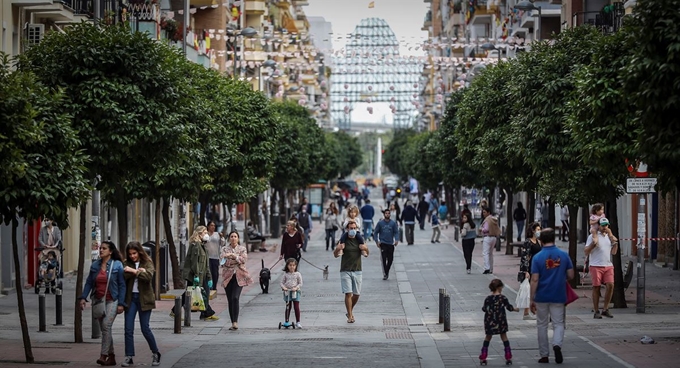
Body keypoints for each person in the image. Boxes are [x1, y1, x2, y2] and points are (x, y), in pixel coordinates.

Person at [530, 228, 575, 364]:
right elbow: (571, 275)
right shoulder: (563, 255)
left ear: (541, 240)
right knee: (558, 323)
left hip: (542, 296)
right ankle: (557, 344)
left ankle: (544, 355)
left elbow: (535, 279)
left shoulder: (537, 258)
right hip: (559, 294)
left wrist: (531, 298)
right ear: (554, 239)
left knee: (542, 325)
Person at [79, 241, 126, 366]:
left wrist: (121, 303)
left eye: (104, 249)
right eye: (100, 248)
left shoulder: (117, 265)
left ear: (110, 251)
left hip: (113, 300)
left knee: (106, 326)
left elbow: (122, 285)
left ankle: (103, 355)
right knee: (106, 329)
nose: (101, 251)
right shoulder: (95, 266)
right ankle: (112, 357)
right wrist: (83, 297)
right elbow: (89, 282)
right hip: (99, 300)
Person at [121, 242, 161, 367]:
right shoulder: (125, 263)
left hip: (144, 299)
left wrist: (133, 271)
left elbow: (148, 276)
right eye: (130, 254)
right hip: (131, 298)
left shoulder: (147, 262)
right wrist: (138, 272)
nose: (132, 256)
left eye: (134, 253)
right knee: (128, 329)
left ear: (139, 252)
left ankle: (155, 353)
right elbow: (123, 274)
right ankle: (129, 356)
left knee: (145, 328)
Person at [175, 226, 218, 321]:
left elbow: (205, 264)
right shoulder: (196, 245)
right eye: (204, 232)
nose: (206, 234)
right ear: (199, 234)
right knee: (200, 293)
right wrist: (196, 276)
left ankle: (205, 313)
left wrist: (209, 277)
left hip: (201, 274)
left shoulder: (202, 245)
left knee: (194, 293)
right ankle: (206, 313)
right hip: (195, 275)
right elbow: (195, 263)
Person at [333, 220, 369, 323]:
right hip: (345, 270)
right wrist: (337, 249)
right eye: (350, 228)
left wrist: (366, 248)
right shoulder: (343, 240)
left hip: (357, 270)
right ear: (347, 229)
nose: (352, 230)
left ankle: (350, 311)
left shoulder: (359, 239)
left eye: (354, 228)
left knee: (356, 294)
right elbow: (335, 255)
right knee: (348, 293)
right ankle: (350, 316)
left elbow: (367, 253)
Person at [479, 279, 519, 365]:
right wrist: (515, 309)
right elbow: (509, 307)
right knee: (504, 336)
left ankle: (483, 355)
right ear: (499, 287)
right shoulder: (503, 298)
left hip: (489, 321)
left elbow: (484, 309)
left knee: (488, 337)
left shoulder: (488, 298)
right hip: (501, 320)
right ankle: (508, 356)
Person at [584, 217, 618, 319]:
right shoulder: (593, 236)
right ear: (598, 226)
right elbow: (586, 251)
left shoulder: (609, 236)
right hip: (595, 265)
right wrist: (593, 245)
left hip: (608, 265)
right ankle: (596, 310)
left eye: (606, 225)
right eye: (603, 225)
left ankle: (605, 309)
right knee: (596, 287)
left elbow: (614, 252)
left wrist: (615, 244)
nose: (604, 227)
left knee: (611, 285)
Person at [220, 231, 253, 330]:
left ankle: (236, 322)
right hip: (228, 276)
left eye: (235, 236)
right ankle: (232, 322)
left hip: (240, 276)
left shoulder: (242, 249)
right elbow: (223, 262)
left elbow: (244, 260)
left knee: (235, 297)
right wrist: (233, 259)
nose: (233, 238)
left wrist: (234, 257)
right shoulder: (224, 249)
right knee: (230, 299)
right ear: (229, 238)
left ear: (238, 238)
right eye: (231, 236)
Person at [519, 222, 542, 320]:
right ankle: (526, 312)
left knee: (537, 289)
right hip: (531, 268)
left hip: (538, 268)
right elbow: (525, 256)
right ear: (533, 231)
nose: (539, 231)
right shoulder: (528, 242)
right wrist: (525, 270)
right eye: (537, 229)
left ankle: (535, 310)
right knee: (529, 289)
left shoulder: (538, 241)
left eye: (539, 229)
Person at [374, 209, 399, 280]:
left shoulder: (393, 223)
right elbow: (375, 232)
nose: (387, 214)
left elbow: (396, 232)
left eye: (388, 213)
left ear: (390, 215)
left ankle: (387, 270)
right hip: (383, 243)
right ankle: (385, 273)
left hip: (390, 243)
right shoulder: (380, 223)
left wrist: (396, 240)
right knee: (384, 259)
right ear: (384, 214)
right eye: (386, 213)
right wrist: (377, 241)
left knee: (390, 259)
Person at [280, 258, 303, 328]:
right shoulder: (285, 275)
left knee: (296, 307)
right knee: (288, 307)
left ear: (296, 266)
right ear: (287, 266)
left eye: (293, 265)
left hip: (295, 292)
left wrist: (296, 288)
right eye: (290, 265)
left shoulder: (298, 274)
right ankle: (286, 321)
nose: (292, 267)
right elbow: (281, 282)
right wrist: (283, 287)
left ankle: (298, 322)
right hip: (287, 292)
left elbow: (300, 283)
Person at [478, 207, 500, 274]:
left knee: (485, 253)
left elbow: (486, 229)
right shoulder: (493, 219)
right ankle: (491, 268)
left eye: (484, 212)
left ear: (488, 212)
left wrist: (481, 229)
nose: (483, 213)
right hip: (494, 237)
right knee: (490, 253)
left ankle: (487, 268)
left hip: (487, 237)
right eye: (483, 212)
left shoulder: (487, 220)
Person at [206, 221, 223, 290]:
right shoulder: (205, 235)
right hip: (207, 257)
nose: (213, 227)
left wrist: (222, 237)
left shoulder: (217, 234)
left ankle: (214, 287)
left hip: (215, 257)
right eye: (211, 225)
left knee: (215, 273)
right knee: (208, 272)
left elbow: (222, 243)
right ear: (208, 226)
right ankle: (208, 287)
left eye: (214, 226)